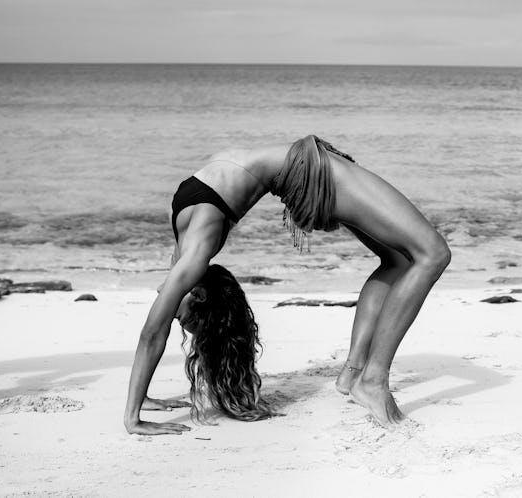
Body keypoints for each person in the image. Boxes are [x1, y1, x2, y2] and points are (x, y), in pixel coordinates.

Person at [123, 135, 451, 435]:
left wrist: (136, 410)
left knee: (401, 259)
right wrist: (137, 409)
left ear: (199, 292)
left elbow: (152, 333)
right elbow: (155, 332)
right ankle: (373, 379)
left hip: (306, 168)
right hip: (310, 172)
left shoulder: (191, 257)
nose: (171, 311)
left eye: (185, 320)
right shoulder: (191, 242)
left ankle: (354, 373)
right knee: (432, 254)